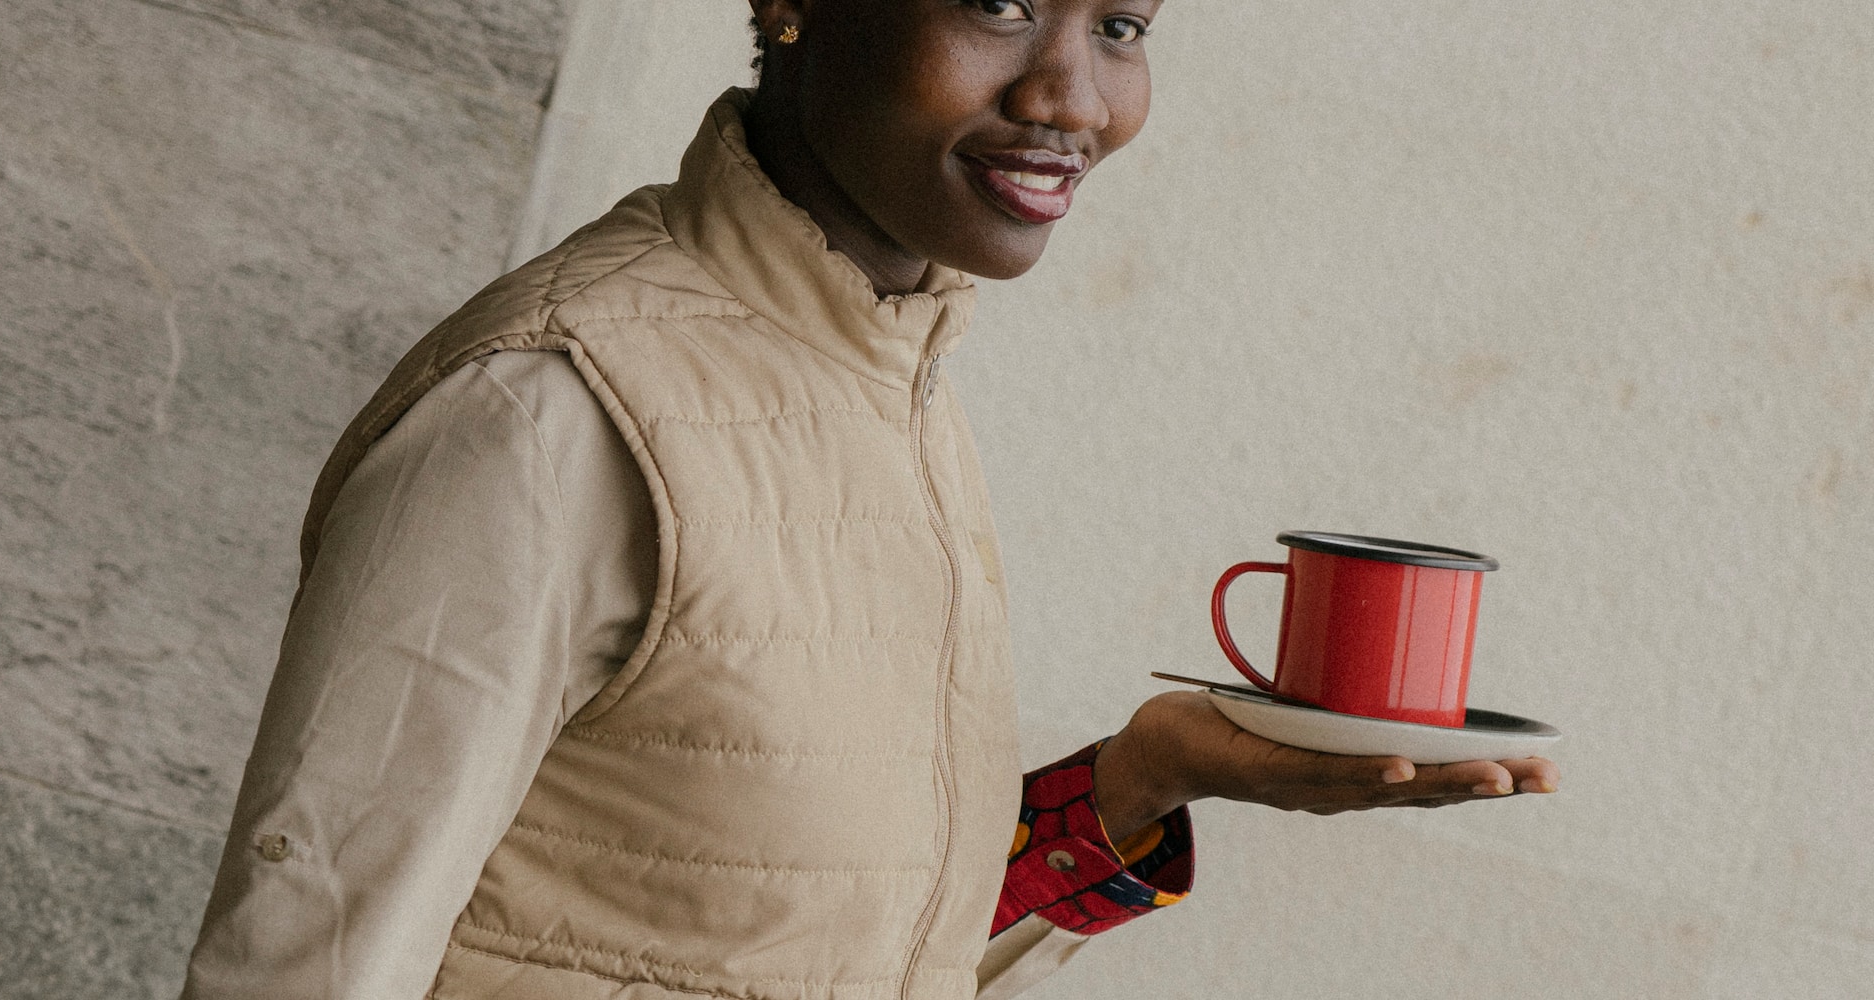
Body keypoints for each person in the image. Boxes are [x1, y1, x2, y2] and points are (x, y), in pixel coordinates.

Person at [180, 2, 1561, 998]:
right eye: (999, 3)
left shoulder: (889, 384)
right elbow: (305, 967)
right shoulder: (551, 413)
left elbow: (822, 953)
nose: (1072, 97)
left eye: (1123, 25)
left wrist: (1152, 774)